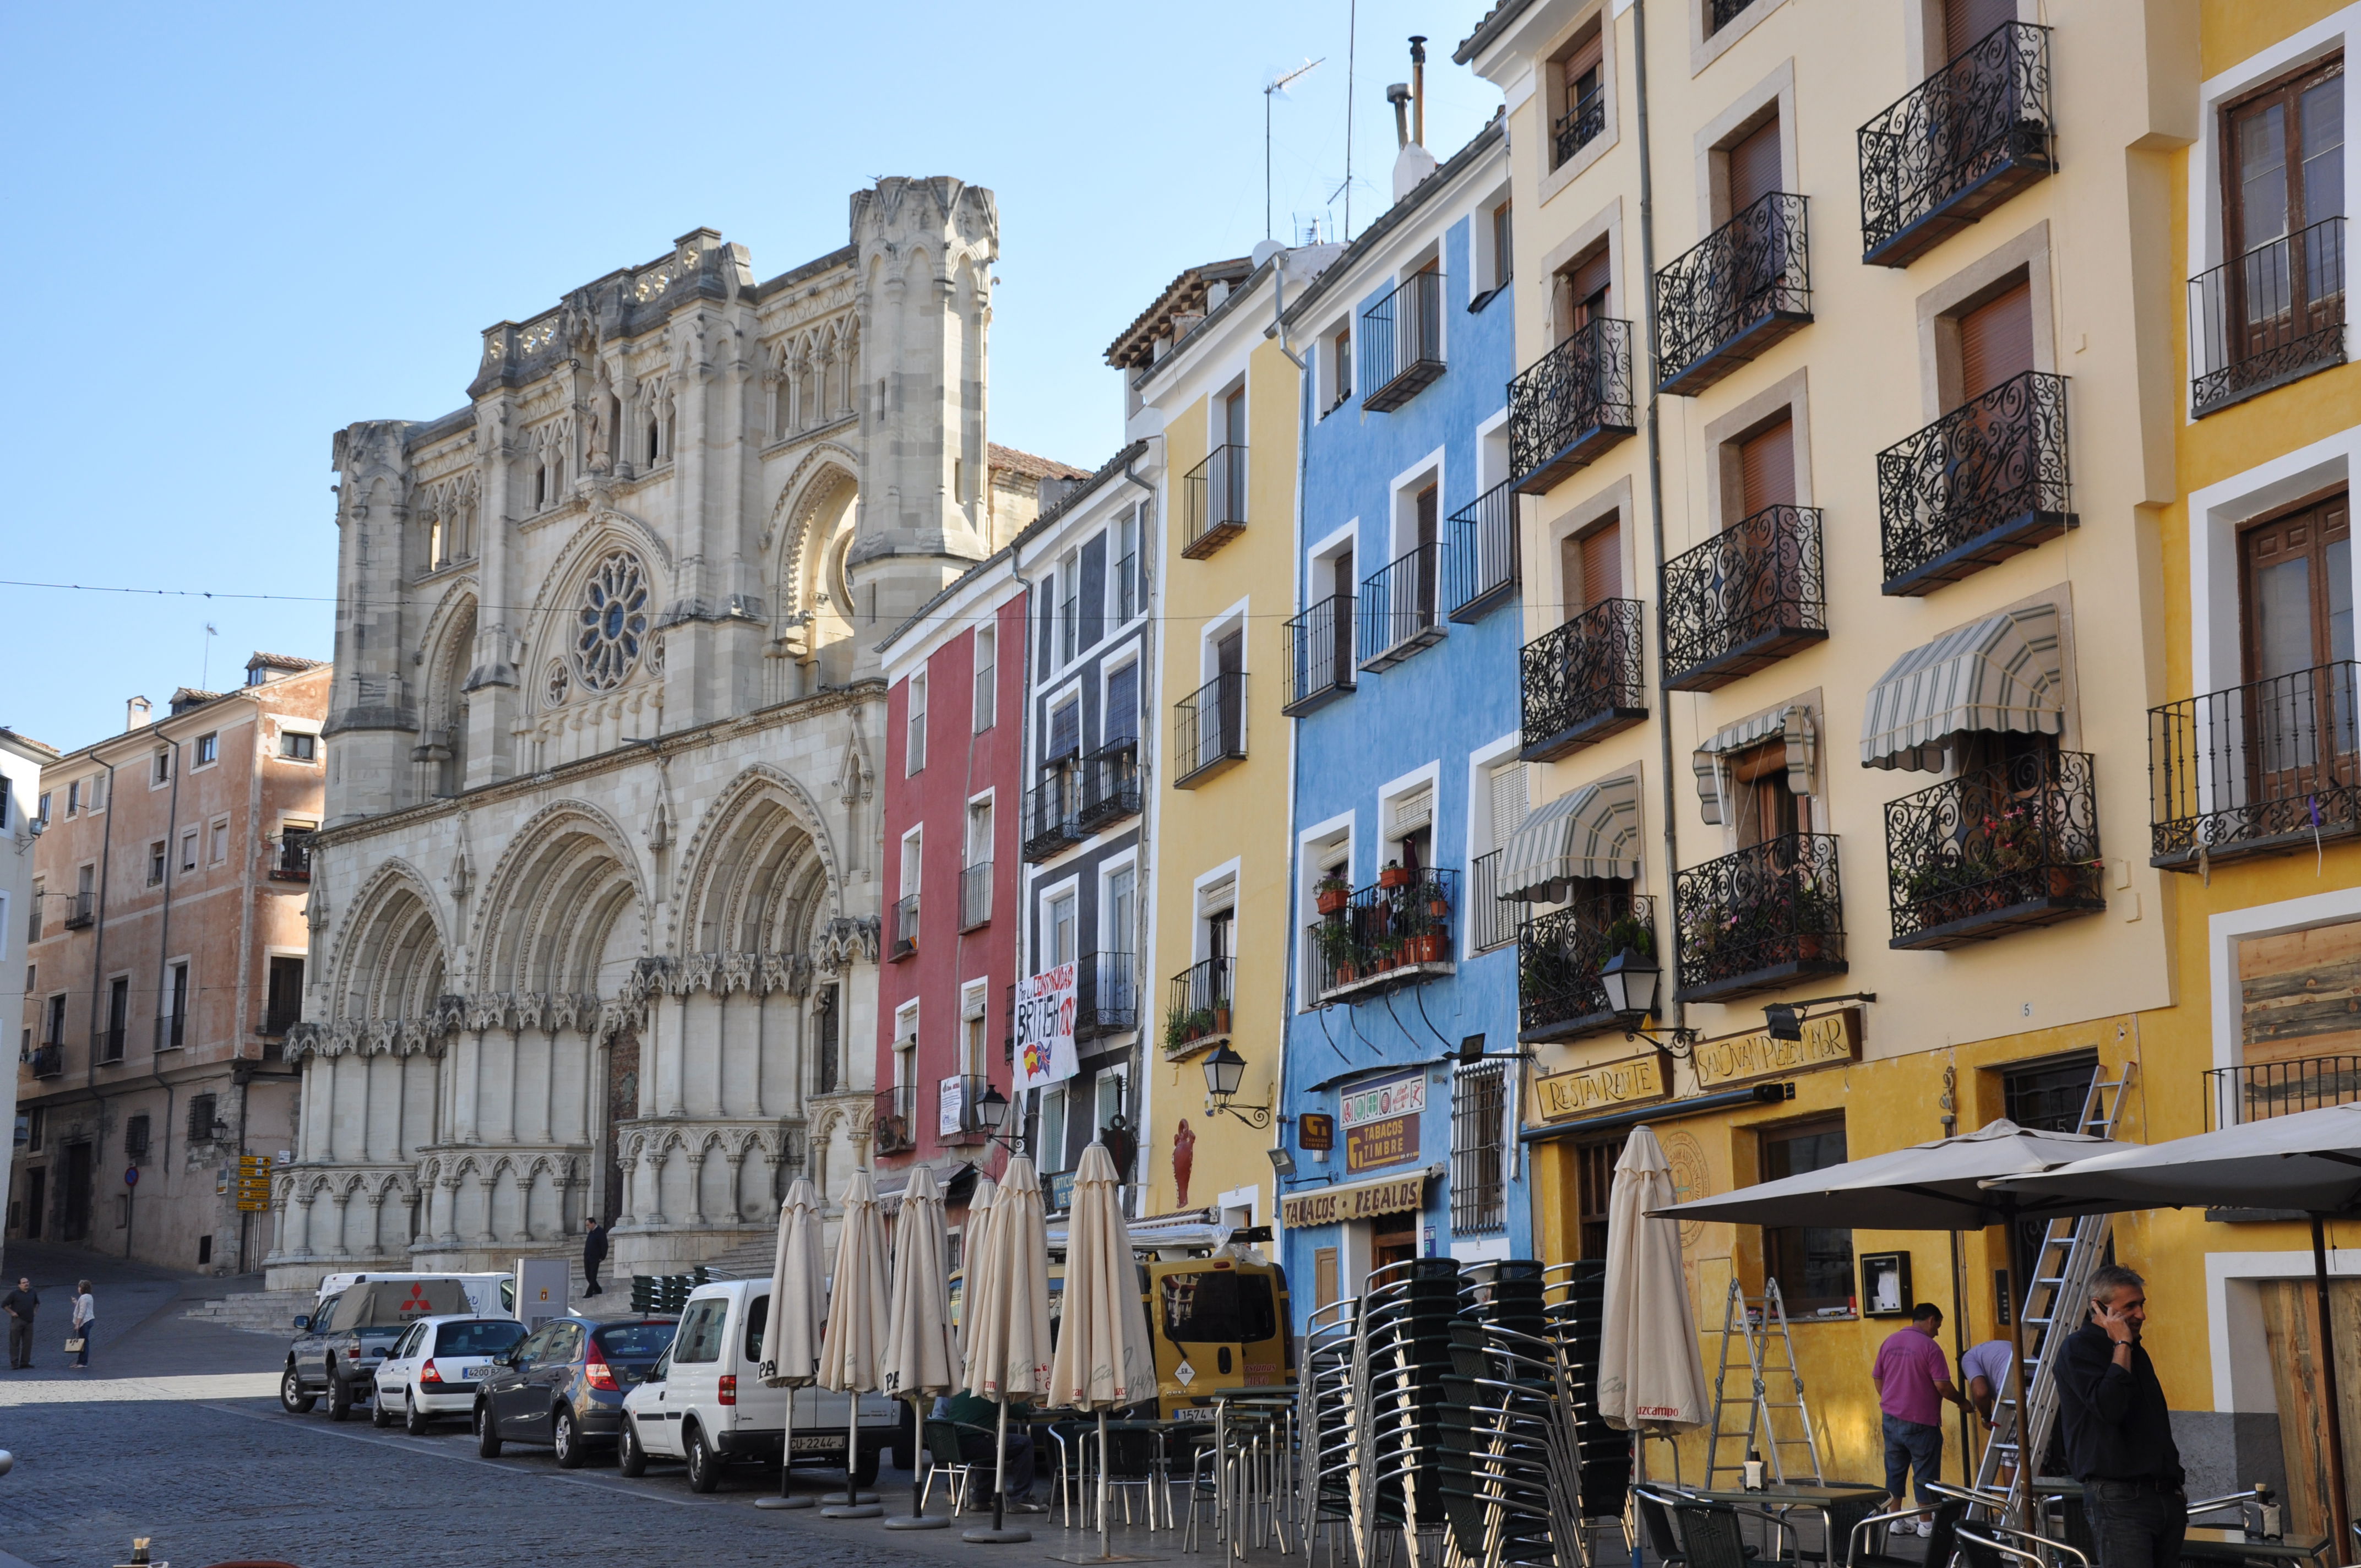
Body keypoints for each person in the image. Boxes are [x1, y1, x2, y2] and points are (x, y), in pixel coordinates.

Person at [2057, 1265, 2185, 1568]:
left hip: (2164, 1495)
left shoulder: (2135, 1351)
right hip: (2119, 1497)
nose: (2141, 1315)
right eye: (2130, 1307)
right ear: (2099, 1308)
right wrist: (2122, 1345)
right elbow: (2109, 1407)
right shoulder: (2078, 1349)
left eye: (2142, 1305)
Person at [1870, 1302, 1971, 1533]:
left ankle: (1895, 1520)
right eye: (1938, 1326)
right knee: (1925, 1474)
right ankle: (1926, 1523)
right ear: (1931, 1320)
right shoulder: (1930, 1348)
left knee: (1895, 1471)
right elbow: (1943, 1386)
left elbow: (1877, 1378)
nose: (1937, 1332)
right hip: (1922, 1421)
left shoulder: (1890, 1342)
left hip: (1891, 1418)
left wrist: (1891, 1399)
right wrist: (1963, 1403)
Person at [932, 1389, 1043, 1512]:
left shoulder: (958, 1393)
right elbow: (1020, 1412)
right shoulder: (992, 1392)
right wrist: (1022, 1400)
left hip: (955, 1447)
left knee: (992, 1442)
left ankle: (982, 1498)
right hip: (978, 1444)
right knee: (1024, 1443)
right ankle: (1020, 1500)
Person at [2, 1278, 37, 1369]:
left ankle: (25, 1362)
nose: (26, 1284)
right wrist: (12, 1313)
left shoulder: (32, 1292)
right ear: (19, 1285)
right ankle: (14, 1363)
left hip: (29, 1321)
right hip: (18, 1321)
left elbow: (37, 1303)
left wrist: (35, 1312)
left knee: (28, 1343)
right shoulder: (15, 1294)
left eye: (27, 1282)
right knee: (15, 1342)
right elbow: (4, 1305)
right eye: (24, 1283)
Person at [69, 1279, 95, 1370]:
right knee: (84, 1342)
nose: (78, 1289)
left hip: (85, 1322)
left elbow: (82, 1312)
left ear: (82, 1288)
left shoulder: (84, 1298)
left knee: (84, 1343)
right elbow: (83, 1308)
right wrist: (76, 1302)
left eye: (79, 1287)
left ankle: (83, 1362)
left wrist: (77, 1324)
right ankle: (80, 1362)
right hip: (89, 1320)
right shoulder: (89, 1297)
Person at [582, 1216, 608, 1298]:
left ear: (593, 1223)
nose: (588, 1227)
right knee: (588, 1275)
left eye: (588, 1225)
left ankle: (589, 1293)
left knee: (593, 1276)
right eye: (587, 1225)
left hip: (595, 1257)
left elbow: (604, 1245)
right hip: (588, 1257)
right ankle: (598, 1289)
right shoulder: (591, 1233)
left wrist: (602, 1257)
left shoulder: (600, 1232)